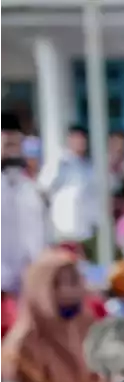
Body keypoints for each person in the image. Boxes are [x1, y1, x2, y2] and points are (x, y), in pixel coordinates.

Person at [0, 249, 99, 382]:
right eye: (60, 284)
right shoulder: (22, 345)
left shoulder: (85, 325)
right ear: (40, 289)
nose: (72, 291)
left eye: (75, 281)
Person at [0, 112, 46, 302]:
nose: (13, 151)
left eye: (17, 145)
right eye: (8, 144)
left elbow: (38, 236)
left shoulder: (30, 187)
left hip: (25, 284)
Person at [38, 125, 99, 244]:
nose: (80, 142)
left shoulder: (89, 167)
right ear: (69, 140)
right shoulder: (58, 162)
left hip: (86, 228)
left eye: (82, 139)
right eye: (76, 139)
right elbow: (42, 188)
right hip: (62, 228)